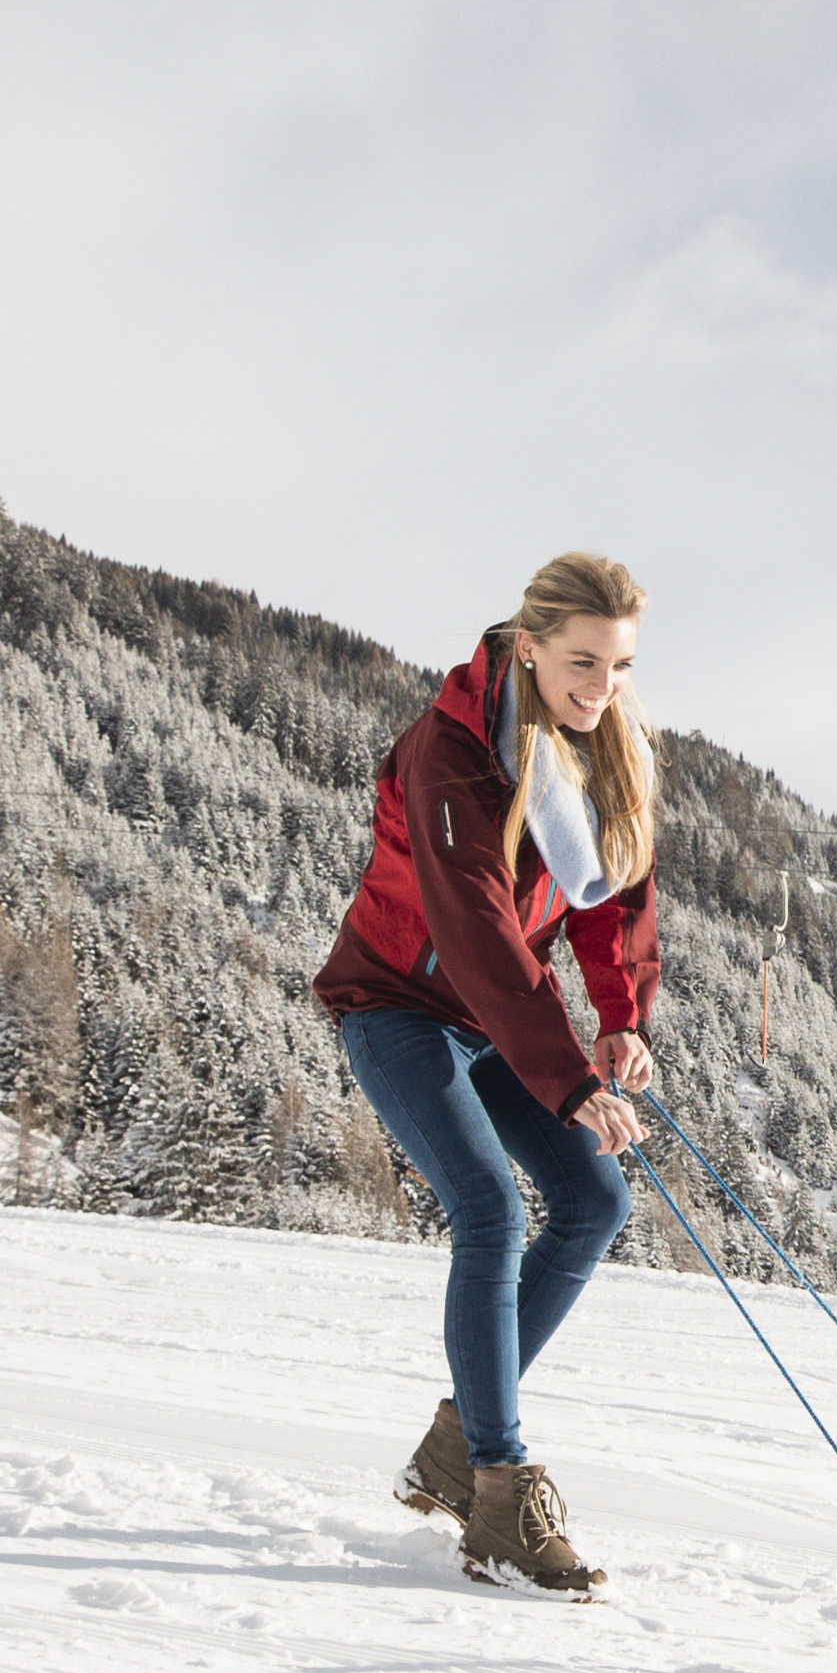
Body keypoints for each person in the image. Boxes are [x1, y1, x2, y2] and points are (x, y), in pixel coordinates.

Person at [312, 553, 665, 1595]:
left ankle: (456, 1443)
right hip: (401, 1006)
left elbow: (609, 893)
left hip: (496, 1020)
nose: (601, 687)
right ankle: (498, 1490)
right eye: (581, 662)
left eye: (619, 666)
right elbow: (473, 932)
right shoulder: (450, 752)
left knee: (594, 1201)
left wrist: (620, 1020)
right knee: (488, 1213)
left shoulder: (599, 747)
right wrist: (564, 1078)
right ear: (528, 646)